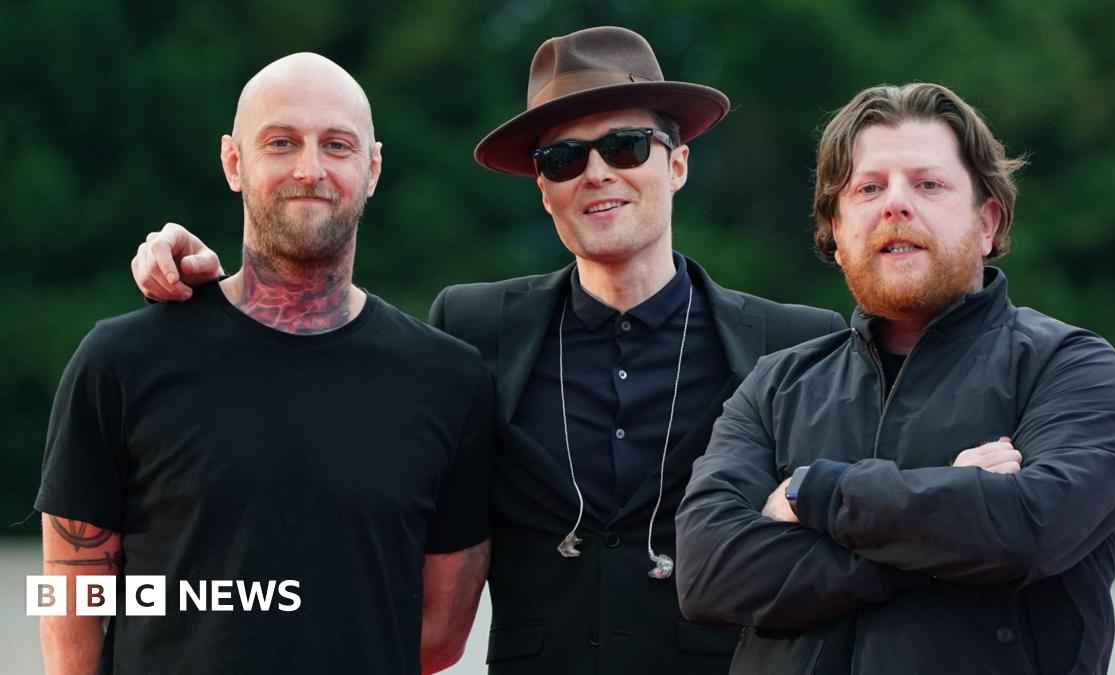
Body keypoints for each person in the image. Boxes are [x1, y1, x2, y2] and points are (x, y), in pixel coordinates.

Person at [127, 27, 844, 674]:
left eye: (624, 147)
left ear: (677, 165)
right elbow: (332, 363)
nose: (596, 173)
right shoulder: (472, 327)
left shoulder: (793, 341)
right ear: (543, 189)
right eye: (564, 158)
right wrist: (206, 292)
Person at [675, 82, 1115, 674]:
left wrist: (814, 493)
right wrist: (943, 514)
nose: (895, 205)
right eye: (869, 188)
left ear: (987, 221)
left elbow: (1030, 528)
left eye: (928, 184)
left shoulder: (1071, 369)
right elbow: (706, 574)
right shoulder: (775, 388)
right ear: (836, 234)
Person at [39, 53, 492, 674]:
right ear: (234, 161)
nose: (310, 169)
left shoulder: (449, 381)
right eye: (281, 142)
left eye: (337, 145)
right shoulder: (121, 361)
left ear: (373, 168)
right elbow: (71, 607)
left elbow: (439, 633)